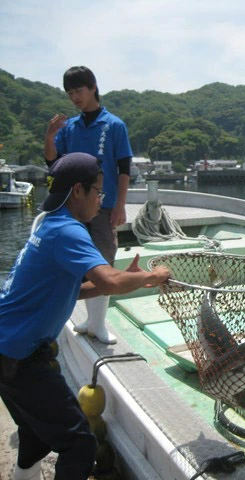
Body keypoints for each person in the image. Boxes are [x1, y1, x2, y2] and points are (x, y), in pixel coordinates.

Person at [0, 152, 170, 480]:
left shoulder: (48, 225)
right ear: (78, 191)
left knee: (35, 432)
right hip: (20, 355)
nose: (100, 201)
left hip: (6, 348)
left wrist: (124, 281)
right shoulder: (68, 230)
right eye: (99, 192)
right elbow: (109, 280)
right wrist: (151, 276)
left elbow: (74, 289)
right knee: (79, 445)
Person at [44, 66, 133, 344]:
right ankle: (87, 320)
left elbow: (123, 168)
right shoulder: (69, 127)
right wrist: (49, 136)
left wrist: (120, 204)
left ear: (93, 87)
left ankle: (98, 323)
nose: (74, 97)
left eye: (78, 91)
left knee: (103, 260)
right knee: (75, 263)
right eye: (70, 93)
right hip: (73, 206)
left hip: (104, 205)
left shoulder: (114, 125)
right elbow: (52, 161)